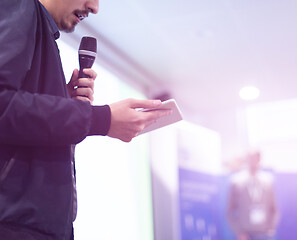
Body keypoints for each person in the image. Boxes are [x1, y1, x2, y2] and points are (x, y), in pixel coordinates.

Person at [0, 0, 171, 239]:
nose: (95, 7)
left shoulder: (40, 29)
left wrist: (60, 98)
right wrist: (101, 119)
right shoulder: (19, 6)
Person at [227, 150, 279, 240]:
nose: (253, 161)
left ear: (259, 160)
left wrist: (271, 227)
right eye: (250, 158)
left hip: (264, 233)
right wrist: (239, 231)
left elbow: (274, 209)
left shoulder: (268, 181)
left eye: (255, 158)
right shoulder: (236, 181)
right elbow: (229, 211)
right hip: (245, 234)